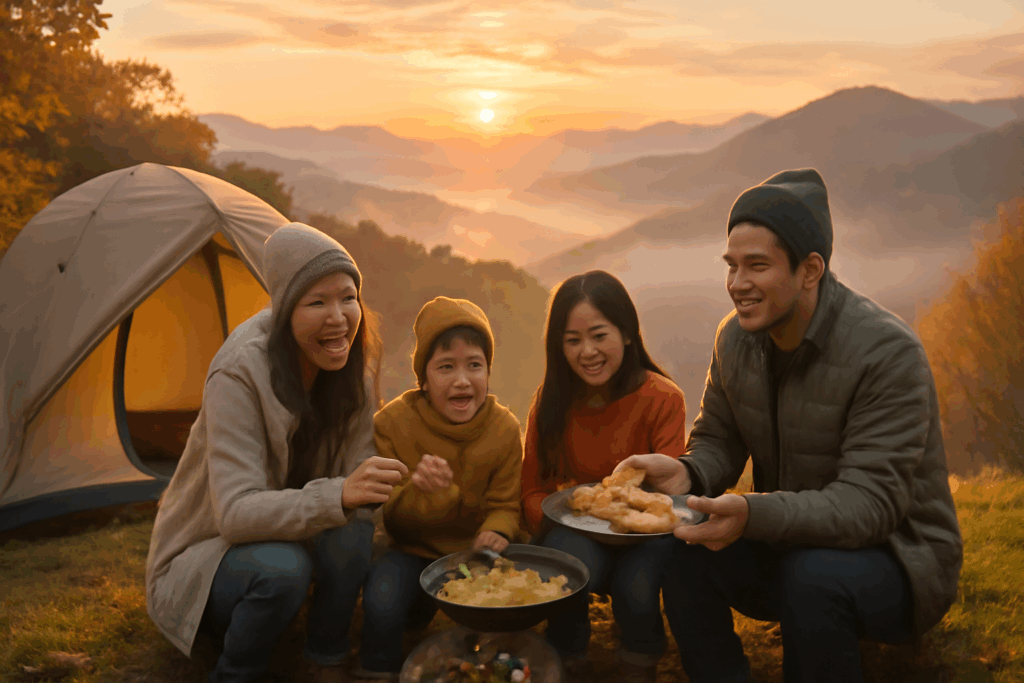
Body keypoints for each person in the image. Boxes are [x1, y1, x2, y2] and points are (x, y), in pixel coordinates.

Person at [617, 168, 963, 683]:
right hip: (790, 541)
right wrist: (686, 475)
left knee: (812, 577)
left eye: (757, 266)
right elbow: (719, 438)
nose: (737, 285)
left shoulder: (887, 354)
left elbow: (870, 506)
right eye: (731, 266)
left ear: (810, 269)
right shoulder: (734, 340)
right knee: (681, 544)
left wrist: (752, 514)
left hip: (898, 561)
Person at [145, 222, 409, 683]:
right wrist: (339, 495)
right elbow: (235, 514)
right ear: (286, 310)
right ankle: (236, 672)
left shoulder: (353, 366)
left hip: (290, 538)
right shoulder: (238, 373)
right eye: (317, 302)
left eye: (348, 297)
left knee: (355, 529)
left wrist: (398, 483)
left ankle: (323, 659)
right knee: (284, 568)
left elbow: (358, 483)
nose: (339, 317)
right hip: (206, 562)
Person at [520, 270, 688, 683]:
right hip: (580, 524)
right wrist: (557, 522)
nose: (587, 352)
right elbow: (533, 487)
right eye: (572, 340)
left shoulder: (662, 398)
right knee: (567, 570)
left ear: (627, 333)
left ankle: (638, 664)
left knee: (637, 587)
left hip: (648, 535)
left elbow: (669, 499)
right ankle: (566, 661)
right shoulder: (552, 400)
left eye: (599, 335)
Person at [354, 296, 524, 680]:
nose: (462, 380)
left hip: (473, 551)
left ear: (488, 372)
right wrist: (423, 492)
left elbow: (505, 502)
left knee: (502, 613)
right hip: (412, 550)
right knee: (383, 600)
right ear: (424, 380)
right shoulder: (394, 423)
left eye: (474, 366)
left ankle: (499, 668)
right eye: (446, 367)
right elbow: (393, 520)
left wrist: (497, 529)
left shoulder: (504, 429)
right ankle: (376, 670)